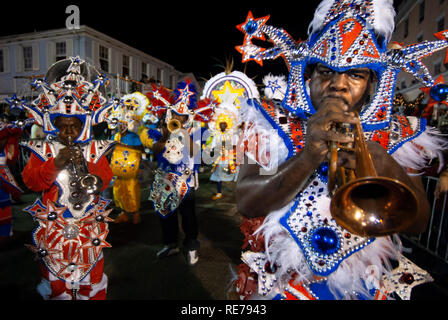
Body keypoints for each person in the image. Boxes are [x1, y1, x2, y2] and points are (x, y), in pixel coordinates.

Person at [232, 0, 448, 300]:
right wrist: (309, 156)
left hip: (364, 284)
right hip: (285, 283)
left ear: (373, 81)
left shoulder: (400, 133)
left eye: (355, 74)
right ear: (309, 75)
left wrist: (385, 165)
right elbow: (247, 201)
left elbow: (419, 223)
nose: (338, 85)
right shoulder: (268, 120)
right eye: (325, 72)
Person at [20, 57, 115, 300]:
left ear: (84, 125)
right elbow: (32, 182)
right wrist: (55, 164)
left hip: (87, 226)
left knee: (91, 280)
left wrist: (91, 174)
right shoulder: (43, 149)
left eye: (74, 125)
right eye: (63, 126)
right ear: (53, 124)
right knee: (55, 282)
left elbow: (104, 176)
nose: (69, 131)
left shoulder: (95, 149)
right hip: (54, 228)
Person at [148, 80, 213, 265]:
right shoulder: (162, 128)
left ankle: (191, 246)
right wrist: (166, 136)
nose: (180, 118)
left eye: (183, 115)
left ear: (188, 116)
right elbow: (154, 150)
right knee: (166, 214)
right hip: (165, 178)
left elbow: (196, 153)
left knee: (188, 216)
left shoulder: (198, 130)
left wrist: (184, 134)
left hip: (186, 180)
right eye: (176, 114)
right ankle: (170, 244)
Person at [107, 92, 147, 224]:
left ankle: (135, 212)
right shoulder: (119, 117)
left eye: (131, 106)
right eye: (127, 106)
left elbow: (139, 134)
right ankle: (123, 211)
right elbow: (113, 130)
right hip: (118, 151)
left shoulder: (138, 120)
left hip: (132, 152)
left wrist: (130, 124)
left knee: (131, 184)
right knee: (118, 184)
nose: (128, 108)